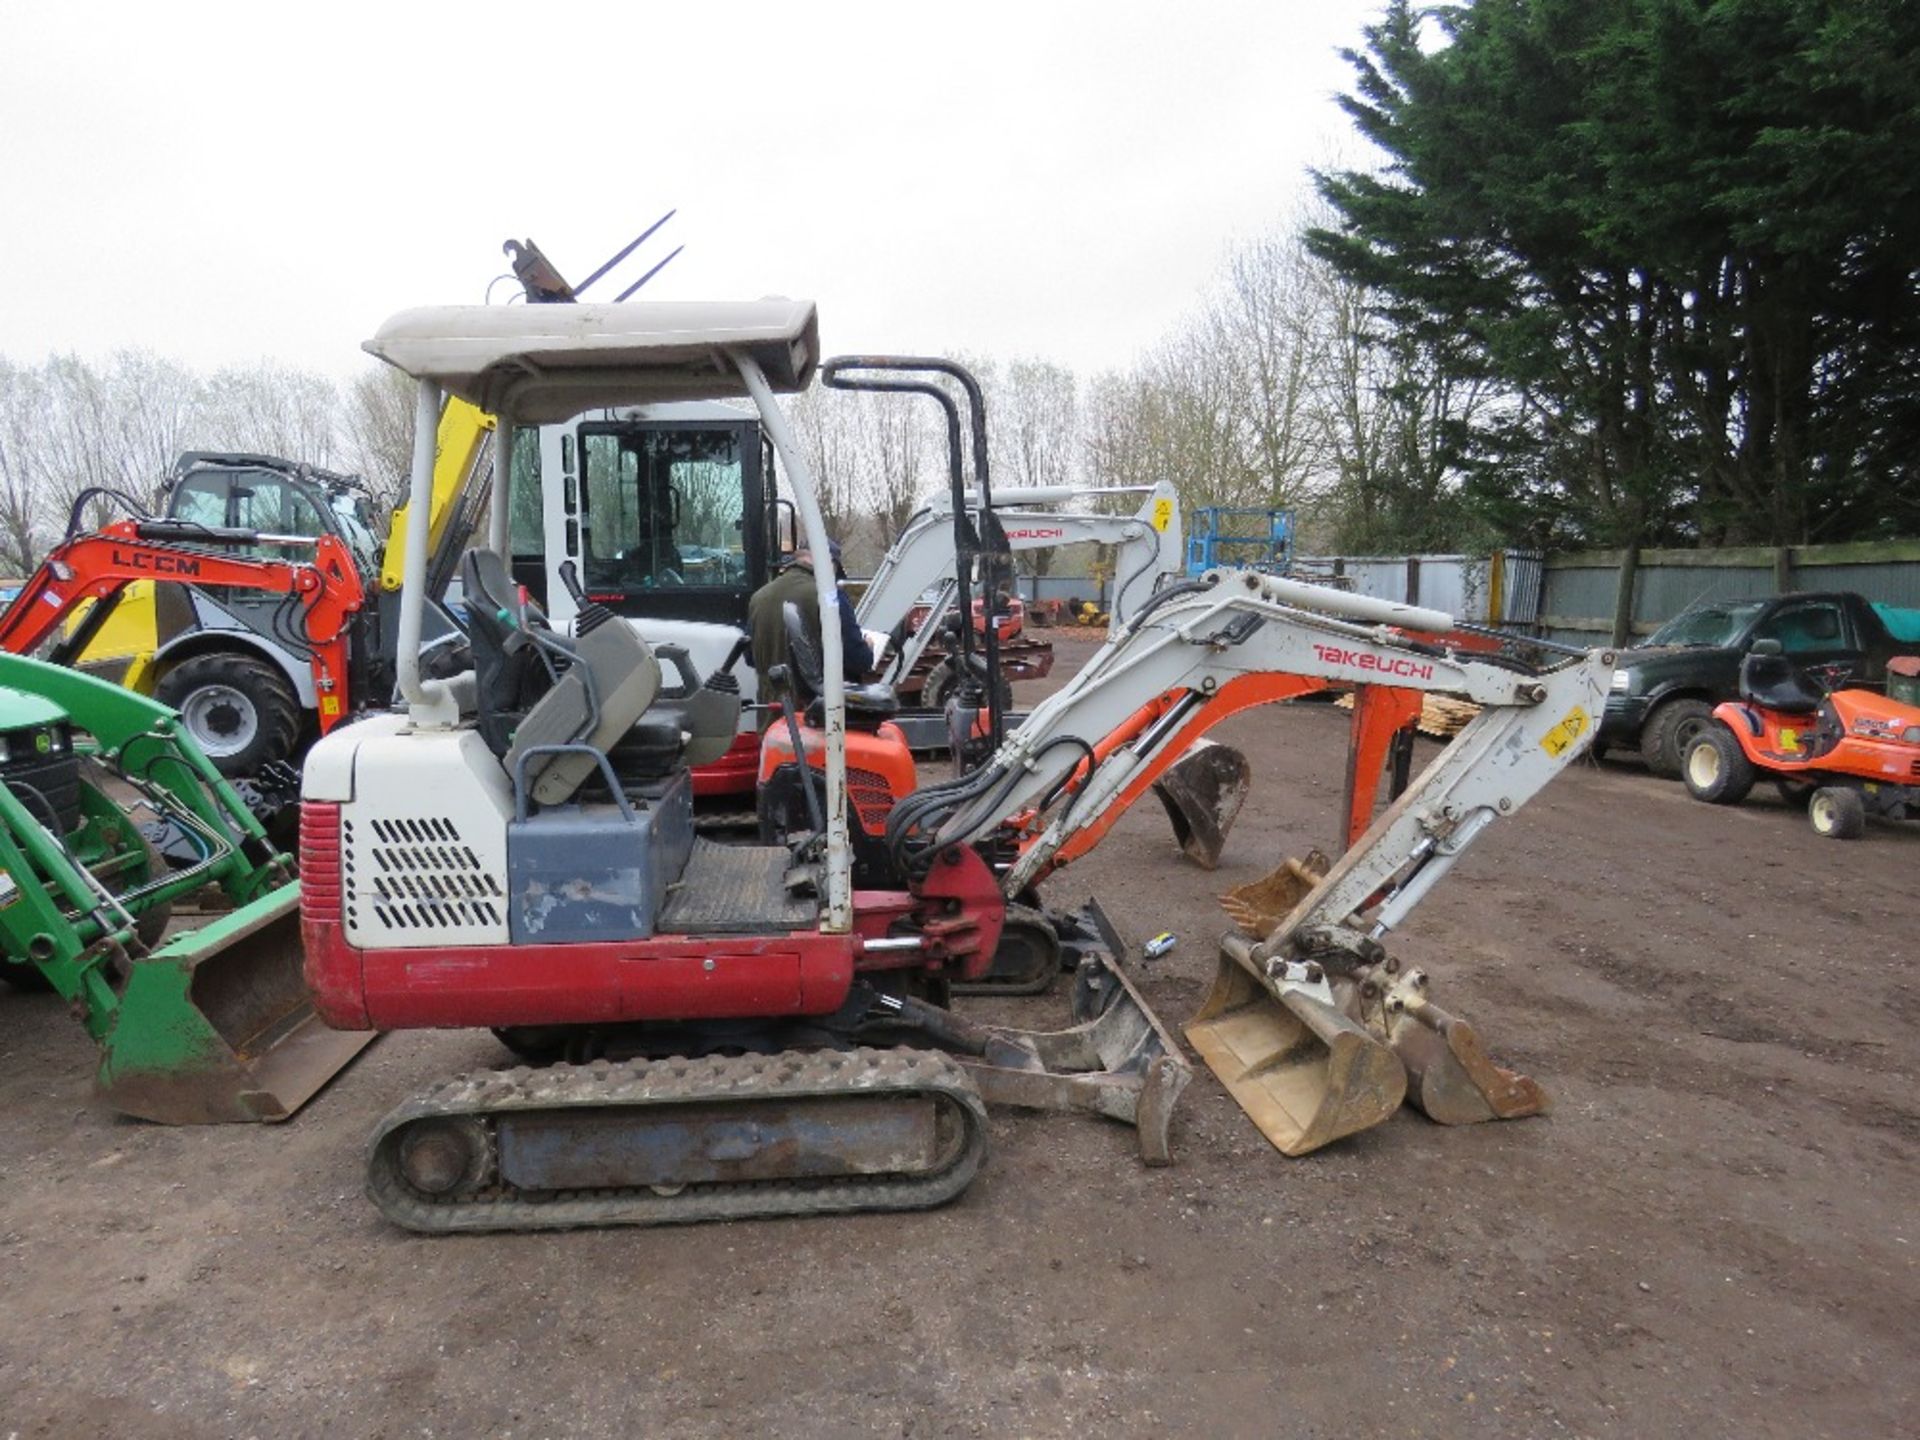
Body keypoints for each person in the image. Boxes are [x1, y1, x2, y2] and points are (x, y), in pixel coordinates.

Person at [746, 540, 874, 725]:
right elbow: (858, 661)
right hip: (817, 720)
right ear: (830, 562)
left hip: (772, 720)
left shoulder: (759, 597)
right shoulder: (829, 596)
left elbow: (751, 657)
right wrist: (867, 648)